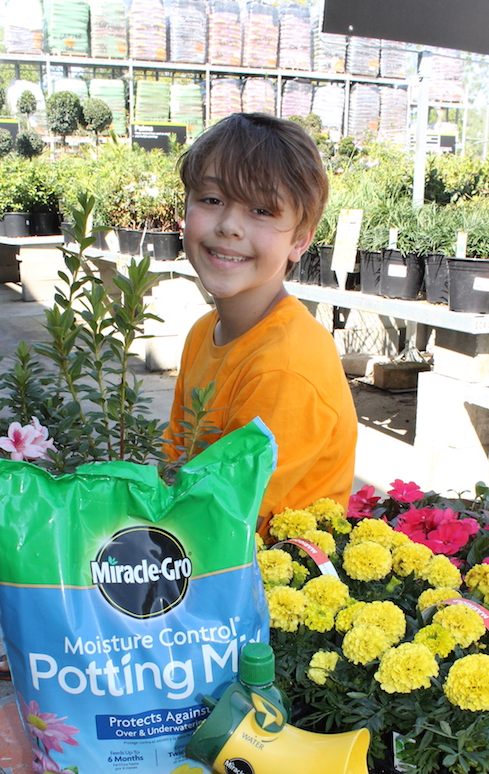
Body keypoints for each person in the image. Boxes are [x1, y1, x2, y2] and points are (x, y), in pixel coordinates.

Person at [164, 112, 358, 535]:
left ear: (301, 239)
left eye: (261, 210)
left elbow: (224, 520)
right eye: (212, 200)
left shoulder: (286, 365)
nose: (230, 226)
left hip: (264, 582)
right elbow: (173, 468)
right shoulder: (203, 332)